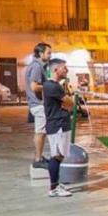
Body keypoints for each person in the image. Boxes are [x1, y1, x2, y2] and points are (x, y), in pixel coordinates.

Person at [43, 59, 75, 197]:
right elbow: (70, 102)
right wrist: (68, 102)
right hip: (58, 125)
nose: (66, 70)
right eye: (64, 68)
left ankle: (56, 184)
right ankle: (53, 188)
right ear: (56, 69)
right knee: (57, 156)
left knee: (59, 156)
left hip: (60, 123)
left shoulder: (56, 86)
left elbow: (68, 103)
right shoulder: (52, 86)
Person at [25, 42, 52, 170]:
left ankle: (39, 157)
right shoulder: (36, 66)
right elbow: (34, 87)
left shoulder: (36, 65)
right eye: (48, 53)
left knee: (41, 132)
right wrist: (50, 86)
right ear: (41, 54)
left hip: (37, 104)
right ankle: (38, 159)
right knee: (40, 133)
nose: (50, 56)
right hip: (38, 104)